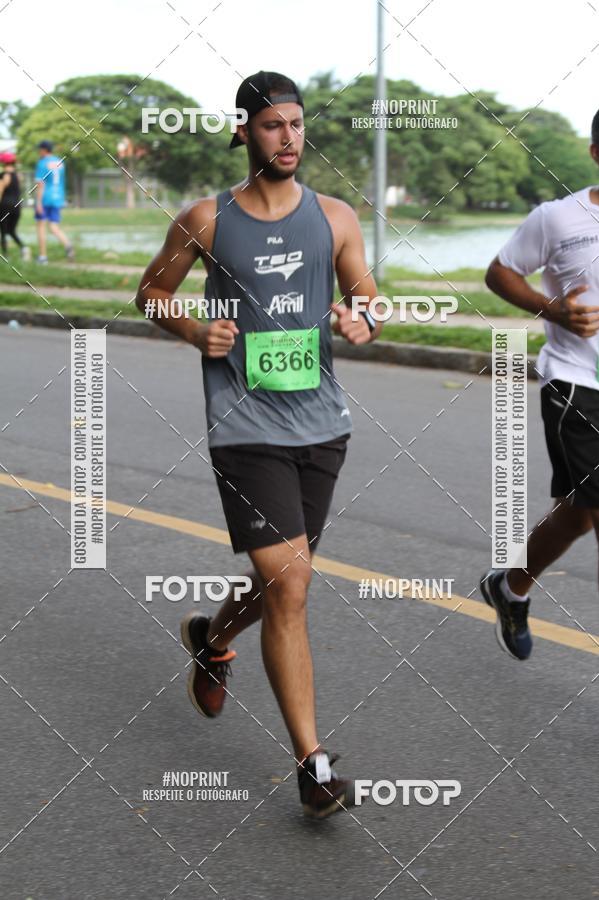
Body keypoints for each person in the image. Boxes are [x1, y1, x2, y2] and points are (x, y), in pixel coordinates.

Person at [136, 71, 381, 818]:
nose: (289, 138)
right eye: (273, 125)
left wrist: (363, 319)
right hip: (244, 431)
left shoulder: (335, 217)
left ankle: (211, 637)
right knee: (294, 587)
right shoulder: (205, 220)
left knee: (285, 580)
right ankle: (313, 766)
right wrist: (190, 328)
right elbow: (151, 292)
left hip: (322, 428)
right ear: (243, 131)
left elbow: (369, 295)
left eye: (298, 125)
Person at [480, 107, 599, 661]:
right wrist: (552, 308)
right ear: (596, 154)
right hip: (578, 384)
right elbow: (500, 271)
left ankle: (509, 587)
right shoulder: (558, 218)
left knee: (578, 513)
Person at [34, 140, 74, 264]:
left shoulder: (42, 163)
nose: (38, 152)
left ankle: (43, 257)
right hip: (58, 197)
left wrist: (39, 202)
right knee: (53, 226)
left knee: (41, 226)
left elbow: (40, 184)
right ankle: (68, 245)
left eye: (39, 149)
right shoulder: (60, 162)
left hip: (45, 198)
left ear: (44, 150)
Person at [0, 151, 30, 260]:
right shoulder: (18, 175)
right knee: (11, 230)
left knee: (3, 231)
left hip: (4, 206)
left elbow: (1, 190)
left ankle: (5, 256)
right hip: (17, 207)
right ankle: (24, 248)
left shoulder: (4, 175)